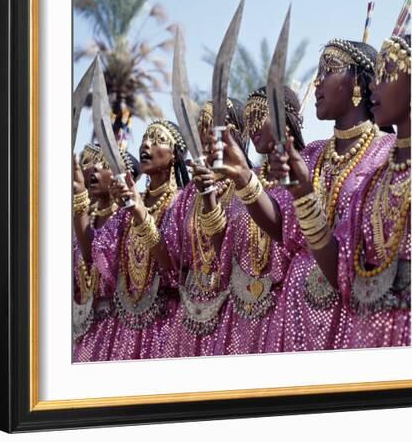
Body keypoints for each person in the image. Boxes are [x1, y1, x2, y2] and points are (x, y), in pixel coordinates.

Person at [268, 39, 395, 351]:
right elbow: (280, 225)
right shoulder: (311, 154)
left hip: (350, 311)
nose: (318, 81)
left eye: (330, 70)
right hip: (294, 312)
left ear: (358, 83)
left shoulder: (387, 153)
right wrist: (245, 180)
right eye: (319, 71)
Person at [75, 120, 188, 361]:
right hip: (123, 329)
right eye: (146, 138)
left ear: (174, 157)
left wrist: (139, 214)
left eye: (158, 139)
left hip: (164, 327)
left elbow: (172, 270)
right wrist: (79, 200)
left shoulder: (180, 203)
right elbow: (93, 255)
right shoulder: (128, 206)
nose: (146, 143)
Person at [205, 86, 306, 355]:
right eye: (248, 120)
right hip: (240, 313)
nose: (252, 127)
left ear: (286, 118)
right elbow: (225, 254)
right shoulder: (249, 179)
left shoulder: (311, 165)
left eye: (260, 114)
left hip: (286, 305)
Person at [333, 34, 412, 348]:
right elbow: (341, 270)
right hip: (369, 334)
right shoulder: (371, 183)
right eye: (374, 75)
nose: (373, 86)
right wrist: (302, 195)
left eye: (387, 73)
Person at [160, 99, 250, 357]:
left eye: (211, 126)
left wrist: (209, 194)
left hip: (233, 308)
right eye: (200, 126)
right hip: (189, 311)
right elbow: (171, 259)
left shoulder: (248, 186)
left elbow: (237, 253)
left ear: (233, 134)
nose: (203, 135)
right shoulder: (188, 195)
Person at [71, 145, 139, 355]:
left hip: (117, 330)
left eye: (106, 164)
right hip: (83, 328)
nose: (96, 168)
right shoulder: (86, 222)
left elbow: (96, 257)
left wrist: (80, 196)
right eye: (95, 163)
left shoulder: (126, 221)